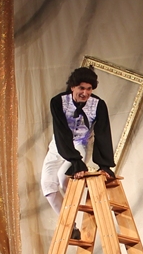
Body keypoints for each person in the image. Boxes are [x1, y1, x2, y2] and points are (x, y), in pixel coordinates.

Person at [41, 66, 115, 213]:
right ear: (73, 87)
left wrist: (104, 165)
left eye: (89, 89)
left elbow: (103, 133)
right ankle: (67, 222)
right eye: (81, 88)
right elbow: (61, 131)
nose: (85, 93)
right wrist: (75, 161)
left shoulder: (98, 105)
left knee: (64, 177)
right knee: (47, 184)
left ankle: (72, 215)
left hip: (81, 144)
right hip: (59, 143)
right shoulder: (58, 101)